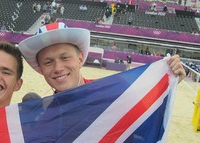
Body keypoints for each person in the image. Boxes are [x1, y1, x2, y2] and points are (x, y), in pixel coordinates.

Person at [18, 22, 186, 94]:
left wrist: (168, 81)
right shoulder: (42, 116)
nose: (58, 67)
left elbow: (145, 111)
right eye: (48, 62)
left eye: (65, 57)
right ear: (40, 68)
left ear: (80, 58)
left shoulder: (112, 91)